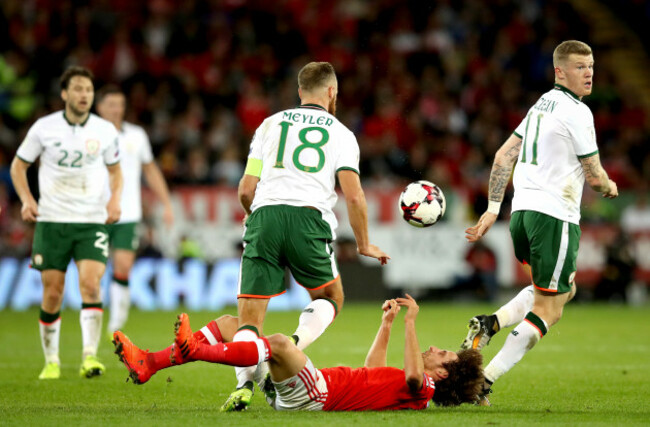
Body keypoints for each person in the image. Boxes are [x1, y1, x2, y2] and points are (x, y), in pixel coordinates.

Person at [460, 40, 618, 405]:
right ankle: (483, 381)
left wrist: (492, 208)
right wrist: (609, 185)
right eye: (580, 66)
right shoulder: (577, 112)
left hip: (522, 216)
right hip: (554, 217)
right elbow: (594, 177)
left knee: (565, 289)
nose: (589, 72)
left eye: (591, 65)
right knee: (550, 308)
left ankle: (491, 323)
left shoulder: (540, 105)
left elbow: (503, 156)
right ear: (559, 71)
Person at [227, 61, 390, 411]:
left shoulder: (269, 124)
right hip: (308, 219)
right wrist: (363, 243)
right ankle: (292, 343)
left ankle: (243, 385)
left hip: (265, 215)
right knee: (331, 295)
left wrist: (257, 218)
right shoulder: (342, 134)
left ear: (300, 92)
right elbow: (354, 195)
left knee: (249, 317)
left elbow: (246, 188)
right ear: (332, 92)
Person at [112, 294, 484, 410]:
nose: (435, 349)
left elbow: (415, 375)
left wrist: (410, 323)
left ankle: (195, 349)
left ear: (444, 375)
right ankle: (150, 363)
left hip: (317, 393)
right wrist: (387, 325)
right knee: (231, 323)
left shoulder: (425, 391)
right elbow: (373, 369)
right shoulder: (405, 389)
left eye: (444, 355)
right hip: (303, 390)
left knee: (277, 343)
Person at [10, 65, 123, 380]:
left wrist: (114, 200)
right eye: (77, 89)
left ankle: (89, 356)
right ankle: (52, 361)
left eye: (88, 90)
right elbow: (18, 167)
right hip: (52, 220)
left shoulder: (104, 131)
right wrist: (27, 200)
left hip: (91, 220)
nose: (84, 95)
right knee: (53, 292)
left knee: (90, 283)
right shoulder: (44, 128)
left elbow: (116, 172)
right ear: (64, 94)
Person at [95, 84, 174, 336]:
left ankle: (115, 323)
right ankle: (95, 317)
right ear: (100, 108)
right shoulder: (89, 136)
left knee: (122, 266)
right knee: (94, 270)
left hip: (127, 212)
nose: (116, 109)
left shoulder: (136, 135)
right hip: (94, 212)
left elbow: (150, 170)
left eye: (119, 104)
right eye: (111, 105)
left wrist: (166, 203)